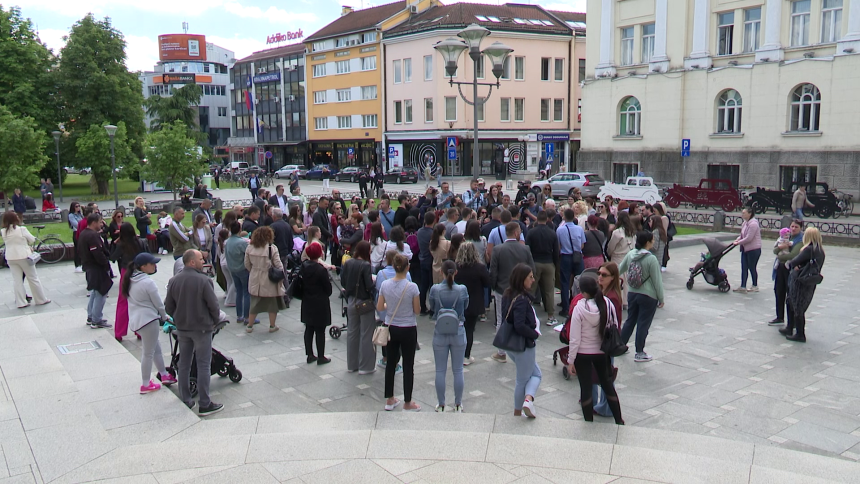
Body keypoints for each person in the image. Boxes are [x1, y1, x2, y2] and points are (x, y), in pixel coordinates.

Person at [164, 250, 224, 416]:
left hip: (183, 329)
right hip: (202, 328)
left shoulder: (174, 281)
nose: (202, 260)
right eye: (199, 259)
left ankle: (186, 399)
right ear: (191, 262)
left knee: (184, 364)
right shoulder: (204, 281)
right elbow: (214, 306)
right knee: (203, 364)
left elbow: (168, 306)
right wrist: (214, 321)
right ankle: (205, 403)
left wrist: (178, 317)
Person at [568, 276, 625, 424]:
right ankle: (619, 419)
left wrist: (570, 361)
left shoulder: (579, 308)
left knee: (586, 389)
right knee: (607, 386)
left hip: (583, 354)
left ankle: (589, 422)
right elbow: (614, 324)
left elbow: (574, 338)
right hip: (602, 352)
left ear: (582, 291)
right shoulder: (607, 303)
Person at [124, 252, 176, 393]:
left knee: (155, 348)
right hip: (149, 320)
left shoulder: (130, 279)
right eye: (152, 263)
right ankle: (145, 384)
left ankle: (164, 375)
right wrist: (165, 316)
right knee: (148, 353)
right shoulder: (147, 282)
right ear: (143, 266)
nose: (154, 266)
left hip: (138, 321)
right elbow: (159, 304)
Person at [377, 254, 421, 412]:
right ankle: (407, 402)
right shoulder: (412, 287)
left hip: (391, 326)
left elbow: (380, 307)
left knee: (390, 363)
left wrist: (391, 304)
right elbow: (417, 310)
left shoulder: (385, 285)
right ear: (407, 267)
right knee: (408, 365)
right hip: (408, 327)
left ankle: (390, 399)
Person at [490, 222, 536, 363]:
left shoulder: (497, 250)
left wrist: (494, 287)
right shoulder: (525, 249)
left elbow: (493, 272)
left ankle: (501, 350)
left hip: (502, 289)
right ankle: (520, 344)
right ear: (516, 233)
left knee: (502, 318)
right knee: (522, 318)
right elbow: (532, 268)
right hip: (521, 290)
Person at [500, 263, 542, 417]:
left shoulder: (508, 293)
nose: (533, 280)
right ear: (522, 279)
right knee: (525, 379)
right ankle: (522, 407)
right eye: (530, 277)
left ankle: (526, 402)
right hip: (523, 345)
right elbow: (519, 324)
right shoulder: (522, 300)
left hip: (511, 344)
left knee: (535, 373)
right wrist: (534, 333)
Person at [428, 260, 469, 412]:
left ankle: (441, 404)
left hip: (440, 331)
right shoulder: (462, 290)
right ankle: (458, 404)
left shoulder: (435, 289)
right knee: (458, 370)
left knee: (440, 370)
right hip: (458, 330)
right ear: (456, 272)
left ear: (441, 272)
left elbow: (432, 307)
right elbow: (465, 307)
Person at [618, 231, 665, 362]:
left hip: (632, 293)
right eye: (652, 240)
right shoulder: (651, 259)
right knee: (643, 324)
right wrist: (661, 298)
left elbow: (620, 269)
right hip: (648, 296)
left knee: (630, 320)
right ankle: (639, 352)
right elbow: (657, 281)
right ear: (647, 242)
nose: (654, 242)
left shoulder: (631, 254)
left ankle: (621, 345)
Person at [781, 227, 825, 343]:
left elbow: (793, 262)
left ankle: (799, 333)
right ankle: (791, 328)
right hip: (810, 282)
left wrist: (795, 266)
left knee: (796, 304)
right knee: (794, 302)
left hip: (800, 281)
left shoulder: (808, 249)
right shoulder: (820, 250)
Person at [341, 241, 377, 373]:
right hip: (364, 302)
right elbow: (369, 285)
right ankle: (365, 366)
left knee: (352, 332)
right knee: (366, 333)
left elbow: (343, 281)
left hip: (351, 301)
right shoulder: (366, 265)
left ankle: (352, 365)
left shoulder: (348, 262)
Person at [1, 212, 50, 308]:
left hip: (11, 257)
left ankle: (21, 302)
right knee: (33, 278)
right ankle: (40, 299)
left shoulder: (3, 231)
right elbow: (32, 240)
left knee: (17, 280)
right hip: (24, 256)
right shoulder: (22, 229)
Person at [454, 243, 491, 366]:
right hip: (474, 302)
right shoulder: (479, 268)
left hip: (458, 302)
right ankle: (466, 355)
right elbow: (487, 283)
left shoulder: (456, 267)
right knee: (469, 329)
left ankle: (457, 353)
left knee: (459, 329)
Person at [244, 226, 286, 333]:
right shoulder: (271, 248)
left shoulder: (250, 247)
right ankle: (272, 326)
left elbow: (247, 264)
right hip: (269, 277)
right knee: (272, 303)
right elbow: (278, 265)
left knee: (254, 303)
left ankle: (249, 325)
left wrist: (253, 271)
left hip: (255, 276)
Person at [110, 222, 146, 341]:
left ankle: (119, 332)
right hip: (138, 272)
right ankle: (139, 331)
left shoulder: (122, 244)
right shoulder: (139, 242)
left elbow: (113, 257)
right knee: (138, 302)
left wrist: (114, 244)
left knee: (123, 302)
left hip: (126, 272)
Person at [79, 213, 112, 328]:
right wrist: (105, 264)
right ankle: (96, 319)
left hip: (89, 267)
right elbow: (97, 253)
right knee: (101, 292)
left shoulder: (83, 234)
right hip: (97, 268)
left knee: (94, 292)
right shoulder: (93, 236)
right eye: (100, 222)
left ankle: (91, 316)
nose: (101, 224)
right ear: (93, 223)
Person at [301, 242, 333, 363]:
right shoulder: (321, 270)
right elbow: (328, 290)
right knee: (320, 330)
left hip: (307, 301)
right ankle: (321, 356)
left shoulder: (303, 267)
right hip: (320, 303)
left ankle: (309, 354)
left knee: (309, 328)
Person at [526, 211, 559, 326]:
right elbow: (556, 251)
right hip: (548, 262)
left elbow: (527, 249)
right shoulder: (552, 233)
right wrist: (555, 264)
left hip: (535, 263)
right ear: (547, 220)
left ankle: (527, 314)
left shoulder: (531, 232)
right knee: (549, 291)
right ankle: (550, 316)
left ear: (537, 220)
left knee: (530, 290)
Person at [769, 220, 803, 327]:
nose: (793, 229)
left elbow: (793, 255)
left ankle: (791, 321)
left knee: (790, 295)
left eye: (796, 227)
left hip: (790, 270)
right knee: (778, 291)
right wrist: (780, 248)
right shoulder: (785, 236)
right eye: (792, 226)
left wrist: (779, 256)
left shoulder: (800, 240)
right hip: (780, 268)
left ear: (801, 228)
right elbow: (774, 250)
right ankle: (779, 317)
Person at [557, 209, 586, 316]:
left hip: (565, 256)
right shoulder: (579, 229)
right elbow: (582, 244)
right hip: (578, 256)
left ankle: (565, 308)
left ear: (564, 217)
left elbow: (558, 246)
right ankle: (579, 304)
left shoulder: (560, 230)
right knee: (579, 282)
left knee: (565, 282)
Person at [606, 211, 636, 307]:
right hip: (629, 256)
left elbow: (611, 247)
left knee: (618, 280)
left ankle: (619, 300)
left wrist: (609, 254)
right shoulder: (632, 231)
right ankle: (626, 301)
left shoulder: (617, 232)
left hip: (618, 257)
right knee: (627, 280)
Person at [225, 221, 253, 325]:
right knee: (247, 292)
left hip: (233, 269)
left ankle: (239, 315)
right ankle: (247, 317)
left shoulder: (227, 242)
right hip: (242, 269)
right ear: (240, 229)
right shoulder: (242, 242)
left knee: (239, 292)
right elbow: (249, 254)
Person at [732, 207, 762, 293]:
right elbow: (742, 235)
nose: (742, 214)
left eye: (744, 213)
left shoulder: (753, 224)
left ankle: (755, 285)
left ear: (750, 214)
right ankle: (743, 286)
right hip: (745, 248)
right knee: (744, 267)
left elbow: (749, 238)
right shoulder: (745, 223)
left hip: (753, 249)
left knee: (752, 267)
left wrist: (738, 243)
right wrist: (738, 240)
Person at [417, 212, 436, 315]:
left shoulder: (419, 232)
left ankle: (422, 307)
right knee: (432, 286)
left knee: (423, 286)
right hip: (431, 261)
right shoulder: (433, 233)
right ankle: (432, 309)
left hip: (422, 259)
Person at [68, 202, 85, 272]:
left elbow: (85, 220)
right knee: (77, 249)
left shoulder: (80, 214)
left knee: (83, 249)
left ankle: (83, 264)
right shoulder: (71, 215)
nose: (78, 207)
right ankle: (77, 265)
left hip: (83, 232)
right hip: (77, 232)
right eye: (76, 206)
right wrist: (83, 225)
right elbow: (76, 224)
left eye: (78, 206)